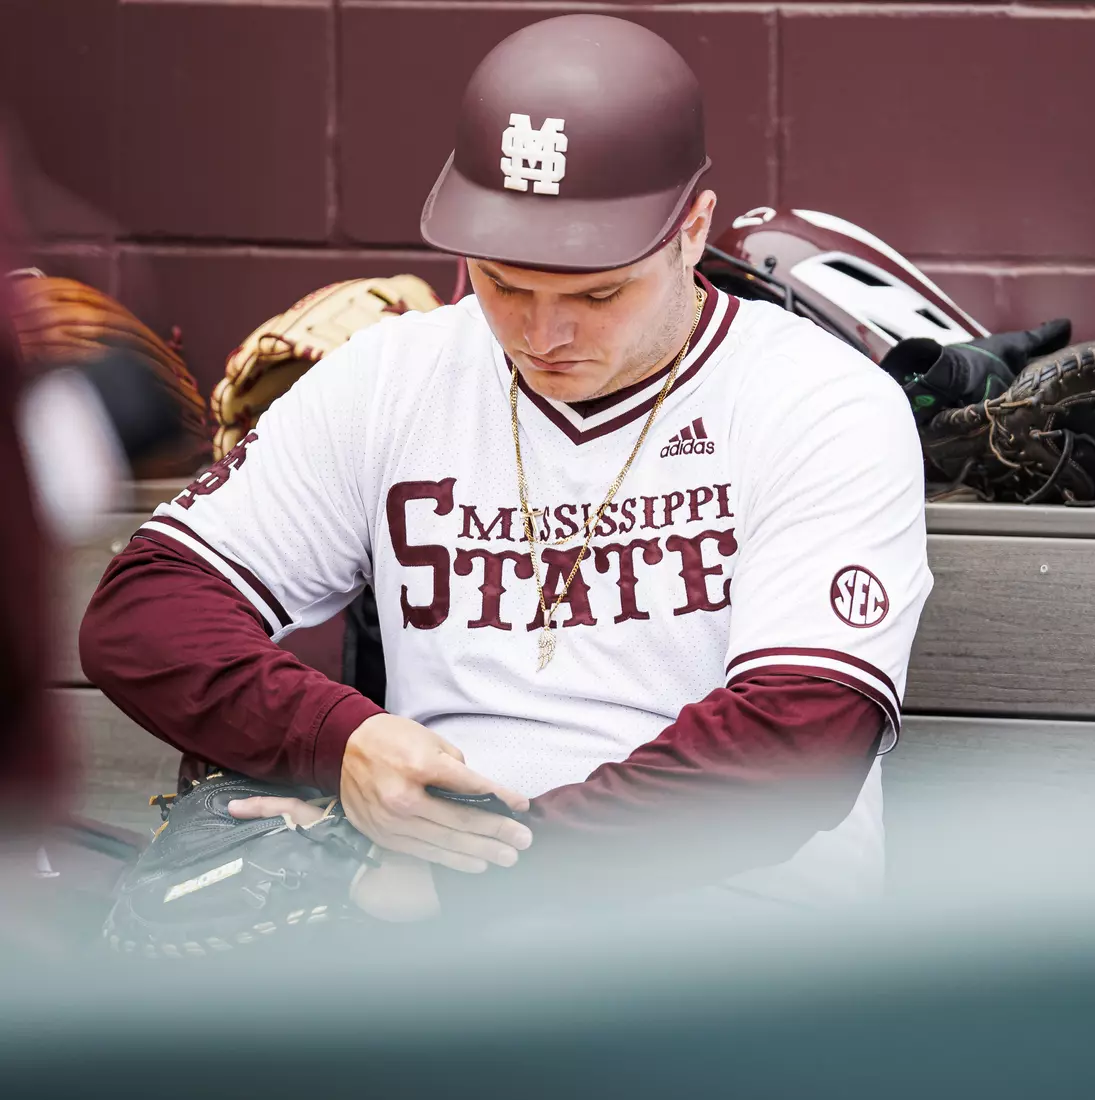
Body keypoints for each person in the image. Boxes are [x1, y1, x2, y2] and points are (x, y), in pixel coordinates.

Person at [79, 14, 931, 920]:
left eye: (598, 292)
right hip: (431, 938)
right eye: (503, 283)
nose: (543, 333)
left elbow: (796, 739)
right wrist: (343, 740)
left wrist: (461, 889)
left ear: (692, 230)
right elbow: (143, 612)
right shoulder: (394, 373)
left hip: (730, 939)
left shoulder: (817, 397)